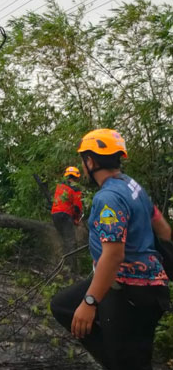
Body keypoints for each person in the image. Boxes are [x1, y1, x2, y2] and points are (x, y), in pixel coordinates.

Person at [50, 129, 170, 370]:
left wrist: (90, 302)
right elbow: (162, 227)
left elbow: (114, 255)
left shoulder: (108, 198)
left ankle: (122, 360)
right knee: (63, 305)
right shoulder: (132, 185)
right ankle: (120, 358)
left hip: (129, 290)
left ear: (90, 161)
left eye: (83, 160)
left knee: (130, 360)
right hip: (138, 286)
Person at [51, 166, 83, 270]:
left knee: (62, 239)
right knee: (71, 241)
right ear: (76, 177)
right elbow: (77, 207)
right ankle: (72, 269)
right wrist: (76, 219)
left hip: (55, 214)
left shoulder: (59, 186)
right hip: (65, 215)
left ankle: (60, 264)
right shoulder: (75, 189)